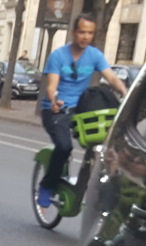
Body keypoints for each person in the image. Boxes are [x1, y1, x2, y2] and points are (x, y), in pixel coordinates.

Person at [38, 14, 127, 213]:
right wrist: (54, 100)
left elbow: (111, 77)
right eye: (82, 32)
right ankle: (47, 185)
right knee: (64, 147)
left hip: (82, 110)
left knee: (101, 148)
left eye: (89, 33)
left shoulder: (95, 55)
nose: (85, 36)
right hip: (56, 110)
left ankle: (87, 189)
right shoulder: (58, 56)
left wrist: (125, 92)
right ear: (73, 32)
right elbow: (51, 86)